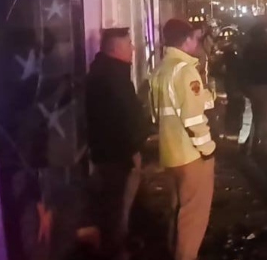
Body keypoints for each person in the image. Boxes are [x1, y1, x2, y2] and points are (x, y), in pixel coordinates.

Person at [150, 18, 217, 260]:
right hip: (191, 155)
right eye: (195, 38)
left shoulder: (161, 69)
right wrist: (207, 148)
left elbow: (158, 112)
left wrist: (209, 97)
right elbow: (193, 119)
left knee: (177, 209)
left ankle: (174, 251)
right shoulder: (185, 70)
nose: (197, 43)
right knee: (193, 217)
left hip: (170, 153)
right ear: (187, 40)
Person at [86, 28, 150, 259]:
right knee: (117, 207)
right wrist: (133, 150)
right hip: (118, 156)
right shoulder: (112, 78)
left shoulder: (109, 74)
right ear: (115, 49)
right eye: (128, 44)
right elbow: (120, 119)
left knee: (118, 206)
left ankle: (120, 244)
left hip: (113, 154)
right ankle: (116, 251)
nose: (133, 48)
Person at [241, 24, 267, 154]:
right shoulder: (265, 49)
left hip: (252, 87)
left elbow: (244, 69)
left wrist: (245, 87)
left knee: (258, 115)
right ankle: (261, 146)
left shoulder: (247, 49)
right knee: (264, 117)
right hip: (264, 86)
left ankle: (252, 144)